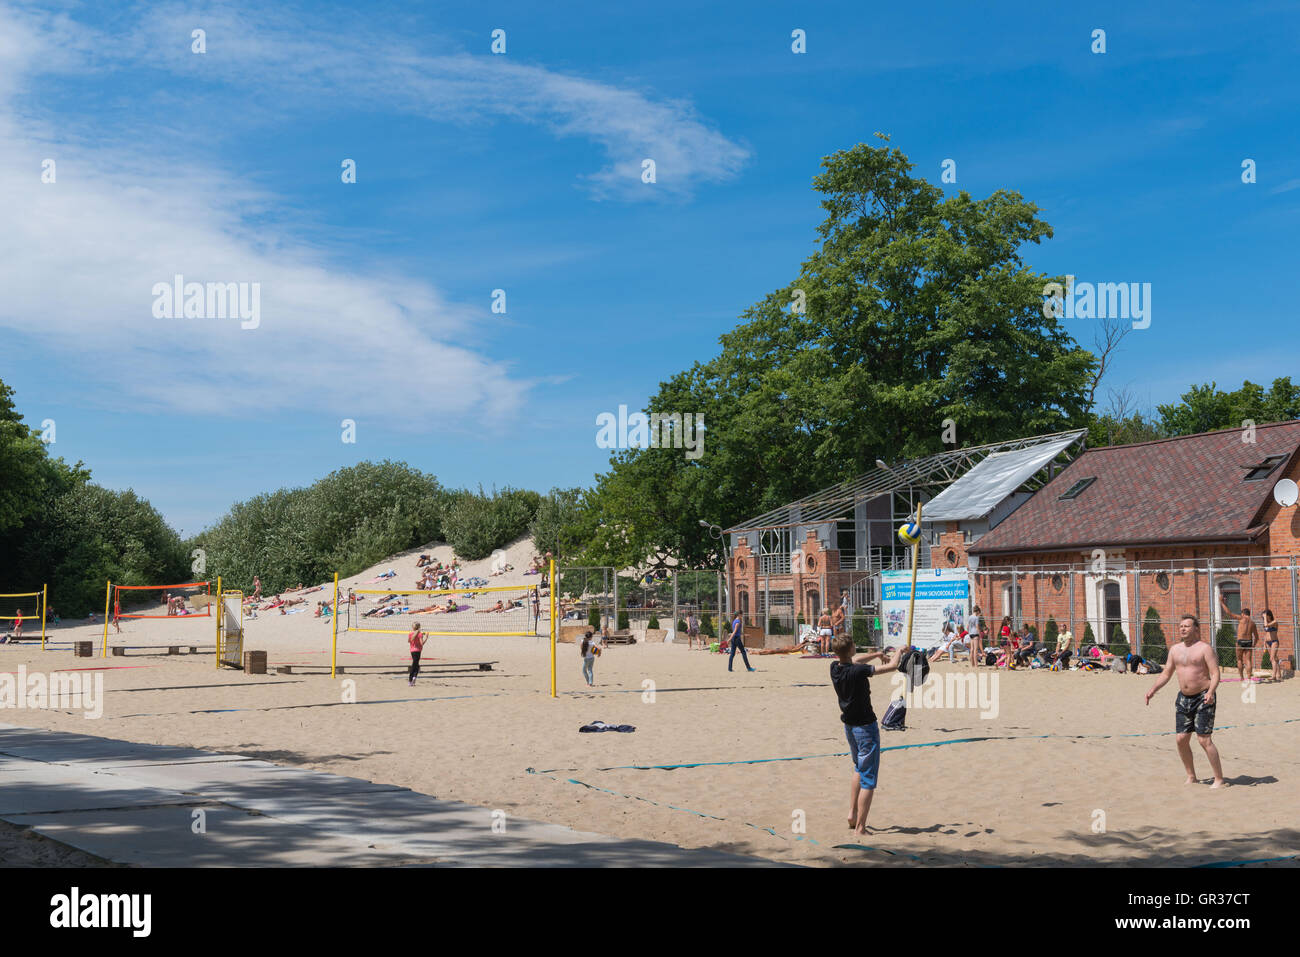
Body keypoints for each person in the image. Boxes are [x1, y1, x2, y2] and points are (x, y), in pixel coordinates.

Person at [831, 635, 908, 834]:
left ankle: (852, 813)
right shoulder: (858, 671)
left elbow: (854, 661)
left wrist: (876, 654)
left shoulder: (835, 668)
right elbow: (891, 667)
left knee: (858, 767)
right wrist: (899, 651)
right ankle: (860, 828)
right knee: (868, 779)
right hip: (865, 728)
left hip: (849, 726)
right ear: (850, 650)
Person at [1144, 614, 1224, 787]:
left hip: (1203, 697)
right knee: (1181, 739)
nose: (1182, 628)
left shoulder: (1204, 648)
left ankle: (1219, 778)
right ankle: (1191, 775)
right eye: (1181, 626)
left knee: (1204, 739)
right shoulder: (1175, 650)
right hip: (1183, 699)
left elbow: (1215, 673)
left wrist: (1211, 691)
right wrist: (1153, 689)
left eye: (1187, 626)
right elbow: (1166, 673)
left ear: (1196, 629)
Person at [1219, 597, 1259, 682]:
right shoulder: (1253, 623)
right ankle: (1248, 678)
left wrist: (1222, 603)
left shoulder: (1241, 618)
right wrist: (1253, 645)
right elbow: (1257, 636)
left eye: (1241, 614)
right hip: (1249, 642)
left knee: (1239, 660)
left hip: (1240, 641)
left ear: (1243, 614)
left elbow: (1229, 613)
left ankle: (1241, 678)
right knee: (1248, 660)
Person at [1261, 609, 1281, 681]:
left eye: (1265, 616)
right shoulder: (1266, 622)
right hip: (1268, 643)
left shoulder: (1274, 622)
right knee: (1275, 658)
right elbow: (1266, 634)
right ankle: (1279, 675)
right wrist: (1264, 644)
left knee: (1272, 658)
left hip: (1274, 642)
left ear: (1269, 615)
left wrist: (1265, 618)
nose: (1264, 618)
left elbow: (1266, 625)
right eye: (1263, 617)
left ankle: (1273, 676)